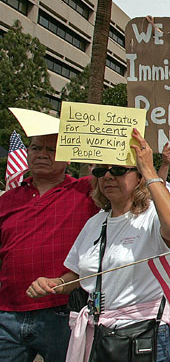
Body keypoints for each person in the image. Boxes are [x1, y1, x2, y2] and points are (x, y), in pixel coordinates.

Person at [27, 129, 170, 362]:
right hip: (99, 332)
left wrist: (150, 169)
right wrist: (57, 284)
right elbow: (76, 273)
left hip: (141, 334)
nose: (108, 177)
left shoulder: (152, 217)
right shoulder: (95, 222)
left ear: (139, 176)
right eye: (102, 171)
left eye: (119, 170)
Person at [0, 133, 99, 361]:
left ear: (69, 159)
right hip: (8, 311)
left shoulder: (87, 192)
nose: (42, 154)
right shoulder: (7, 199)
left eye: (52, 150)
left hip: (62, 310)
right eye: (36, 148)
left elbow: (127, 183)